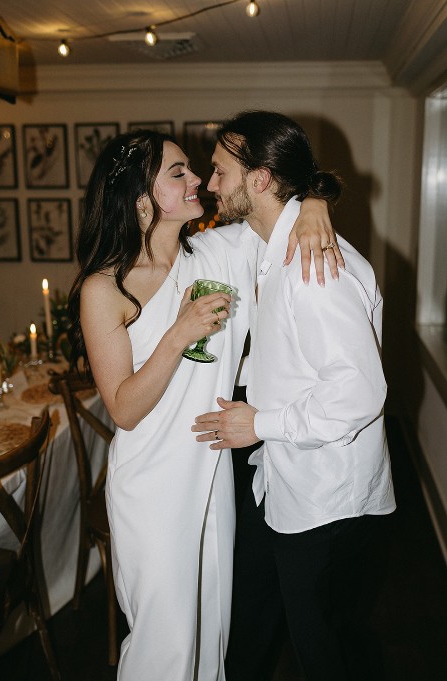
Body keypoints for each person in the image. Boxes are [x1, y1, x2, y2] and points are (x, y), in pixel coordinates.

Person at [67, 128, 341, 681]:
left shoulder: (223, 250)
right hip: (151, 484)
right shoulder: (106, 288)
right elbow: (123, 409)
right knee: (164, 642)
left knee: (211, 628)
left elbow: (281, 209)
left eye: (192, 169)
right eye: (179, 173)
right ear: (142, 199)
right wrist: (179, 332)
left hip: (213, 475)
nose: (197, 179)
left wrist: (315, 202)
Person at [192, 111, 396, 681]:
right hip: (285, 483)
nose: (210, 184)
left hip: (326, 500)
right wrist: (314, 199)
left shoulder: (312, 269)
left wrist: (259, 424)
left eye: (220, 171)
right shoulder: (268, 246)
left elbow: (359, 391)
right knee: (265, 630)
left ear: (259, 179)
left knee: (327, 656)